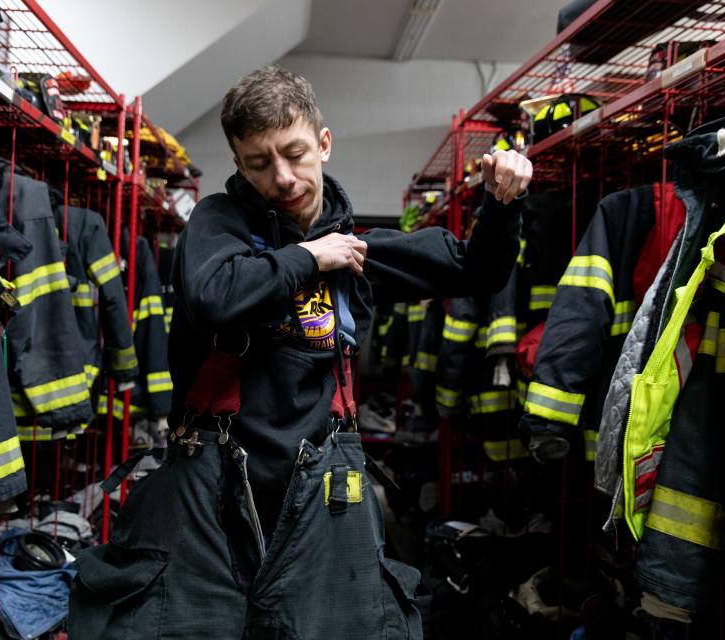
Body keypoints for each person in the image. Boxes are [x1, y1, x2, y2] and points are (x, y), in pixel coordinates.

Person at [69, 65, 533, 640]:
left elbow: (478, 269)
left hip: (321, 497)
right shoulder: (217, 225)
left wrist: (503, 201)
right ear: (239, 164)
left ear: (324, 143)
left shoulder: (354, 251)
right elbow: (216, 296)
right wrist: (311, 258)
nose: (283, 178)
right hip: (211, 500)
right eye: (260, 163)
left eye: (294, 153)